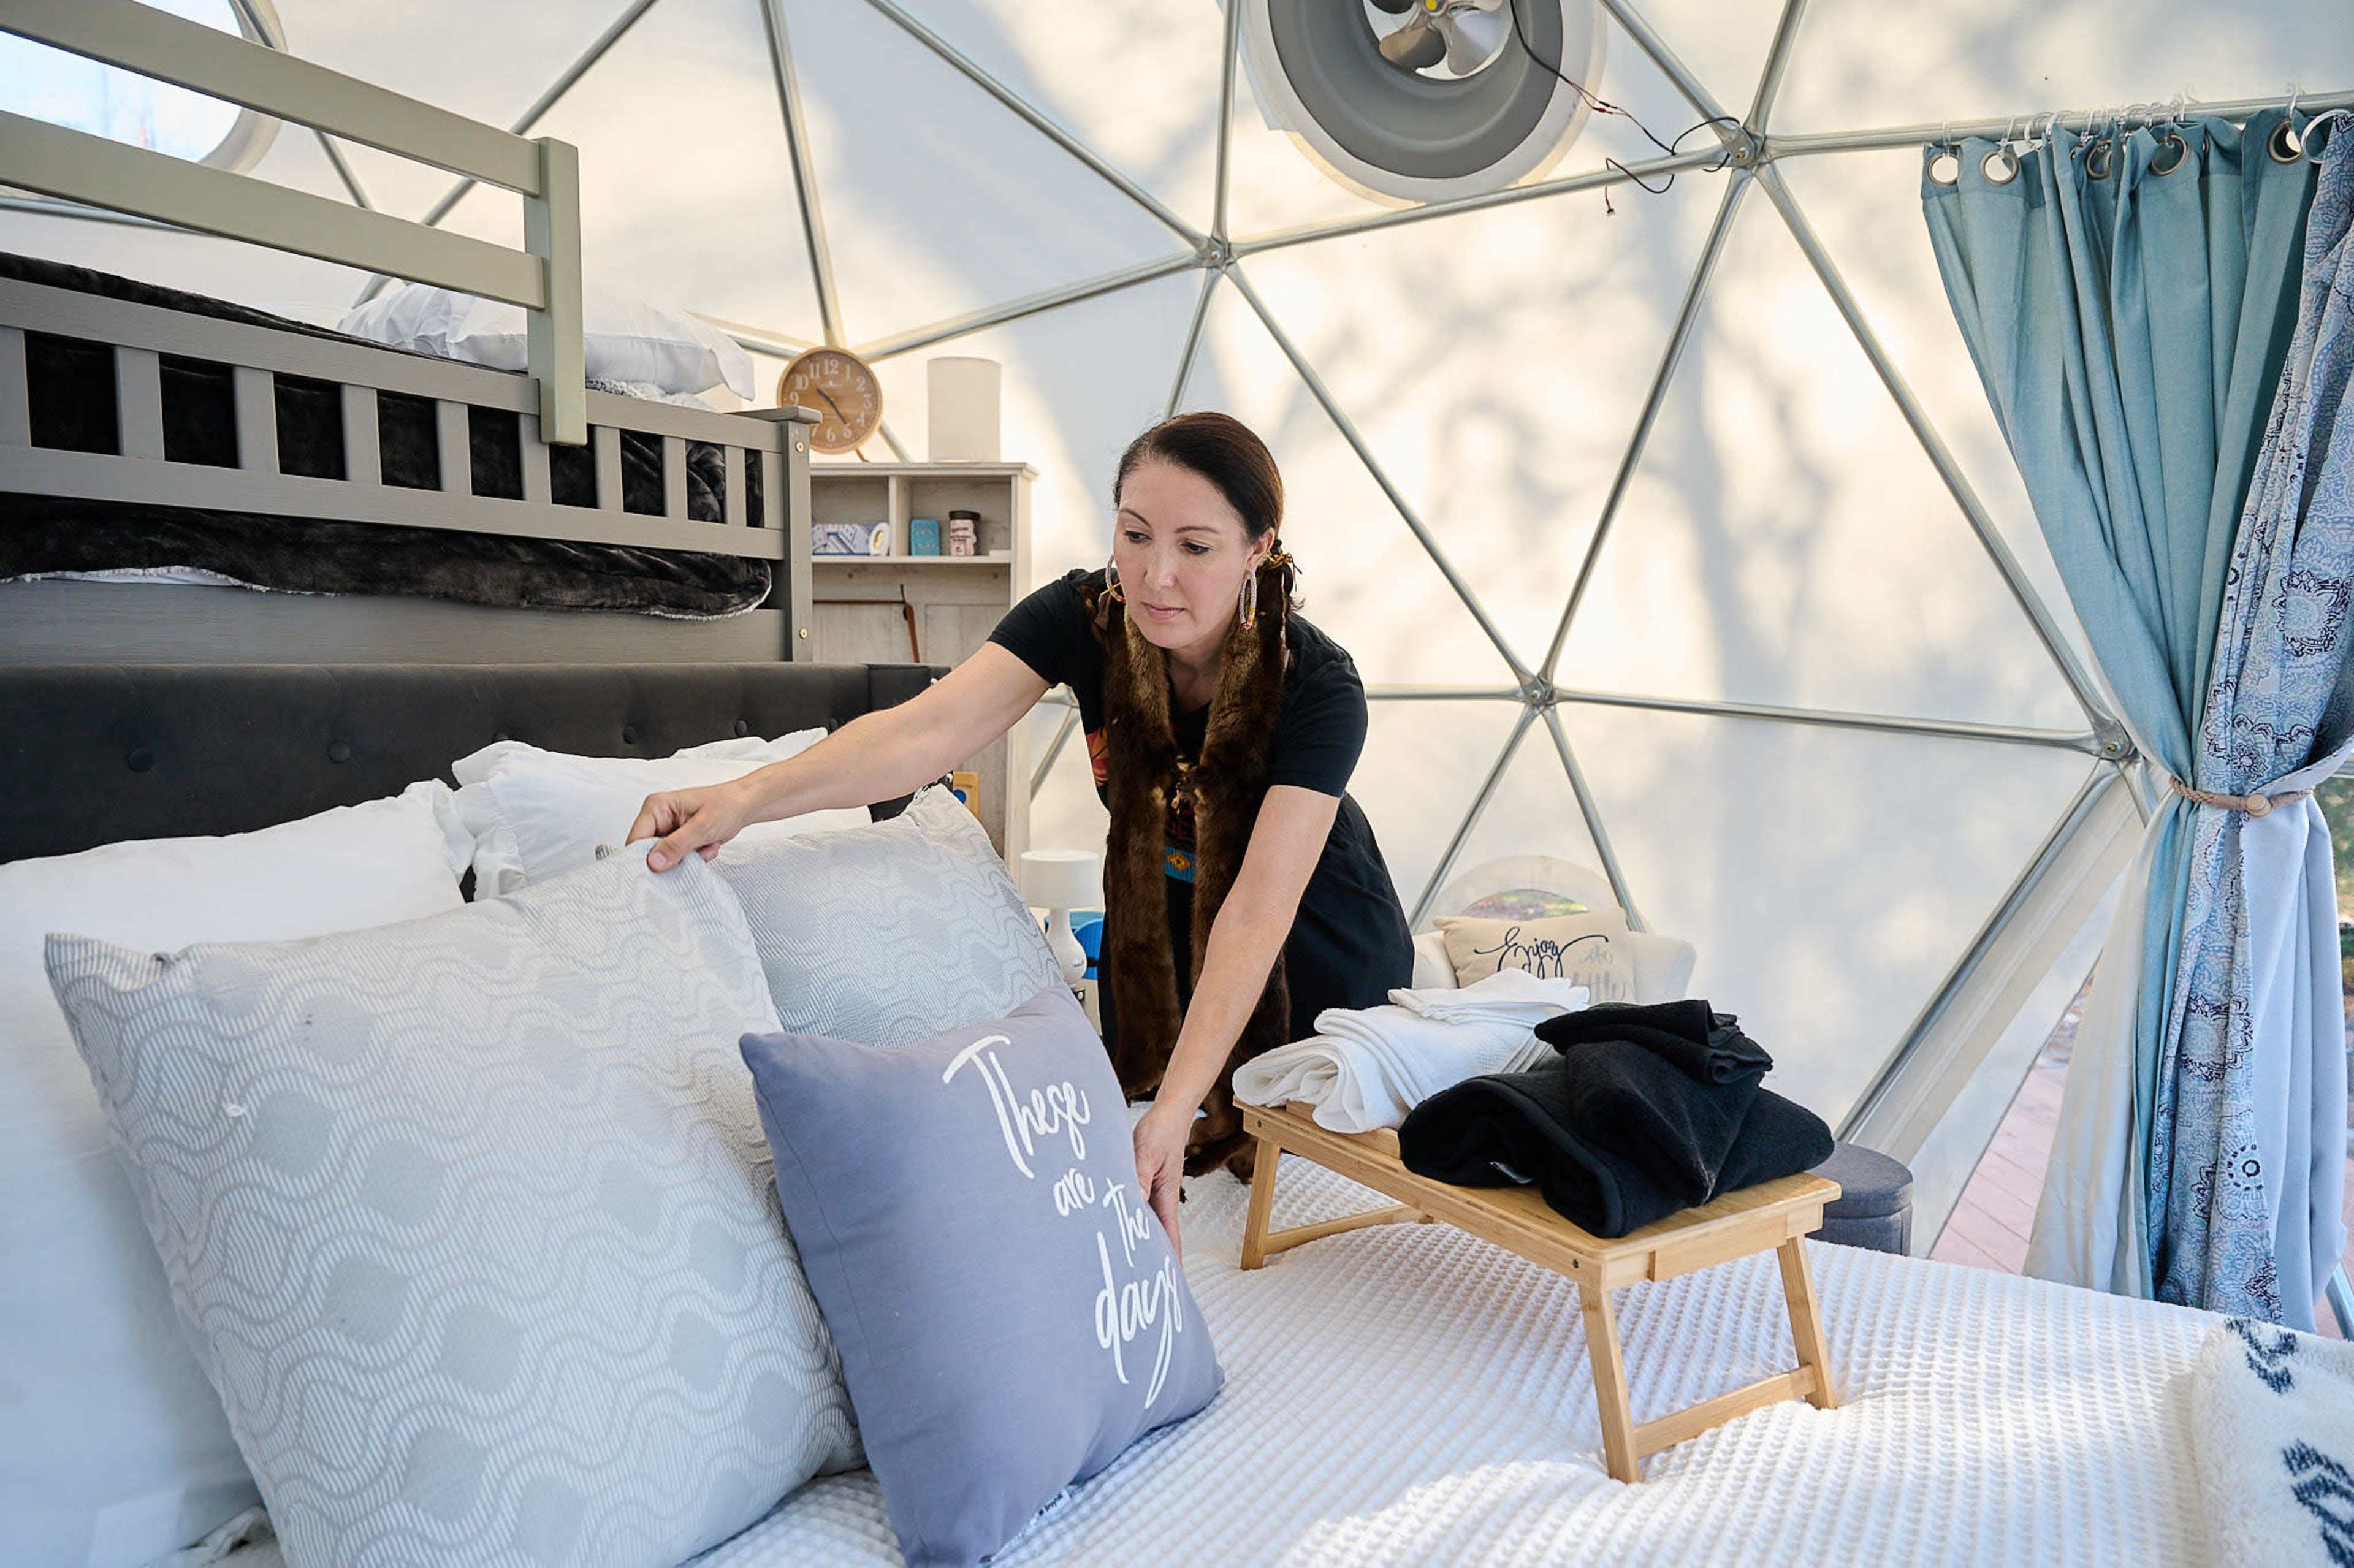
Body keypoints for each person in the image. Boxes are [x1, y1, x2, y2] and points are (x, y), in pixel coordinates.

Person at [627, 411, 1414, 1252]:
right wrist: (743, 798)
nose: (1155, 575)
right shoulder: (1085, 617)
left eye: (1196, 546)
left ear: (1258, 548)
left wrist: (1180, 1105)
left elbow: (1259, 910)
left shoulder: (1319, 684)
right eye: (1136, 533)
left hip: (1321, 970)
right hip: (1175, 969)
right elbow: (920, 733)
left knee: (1304, 1226)